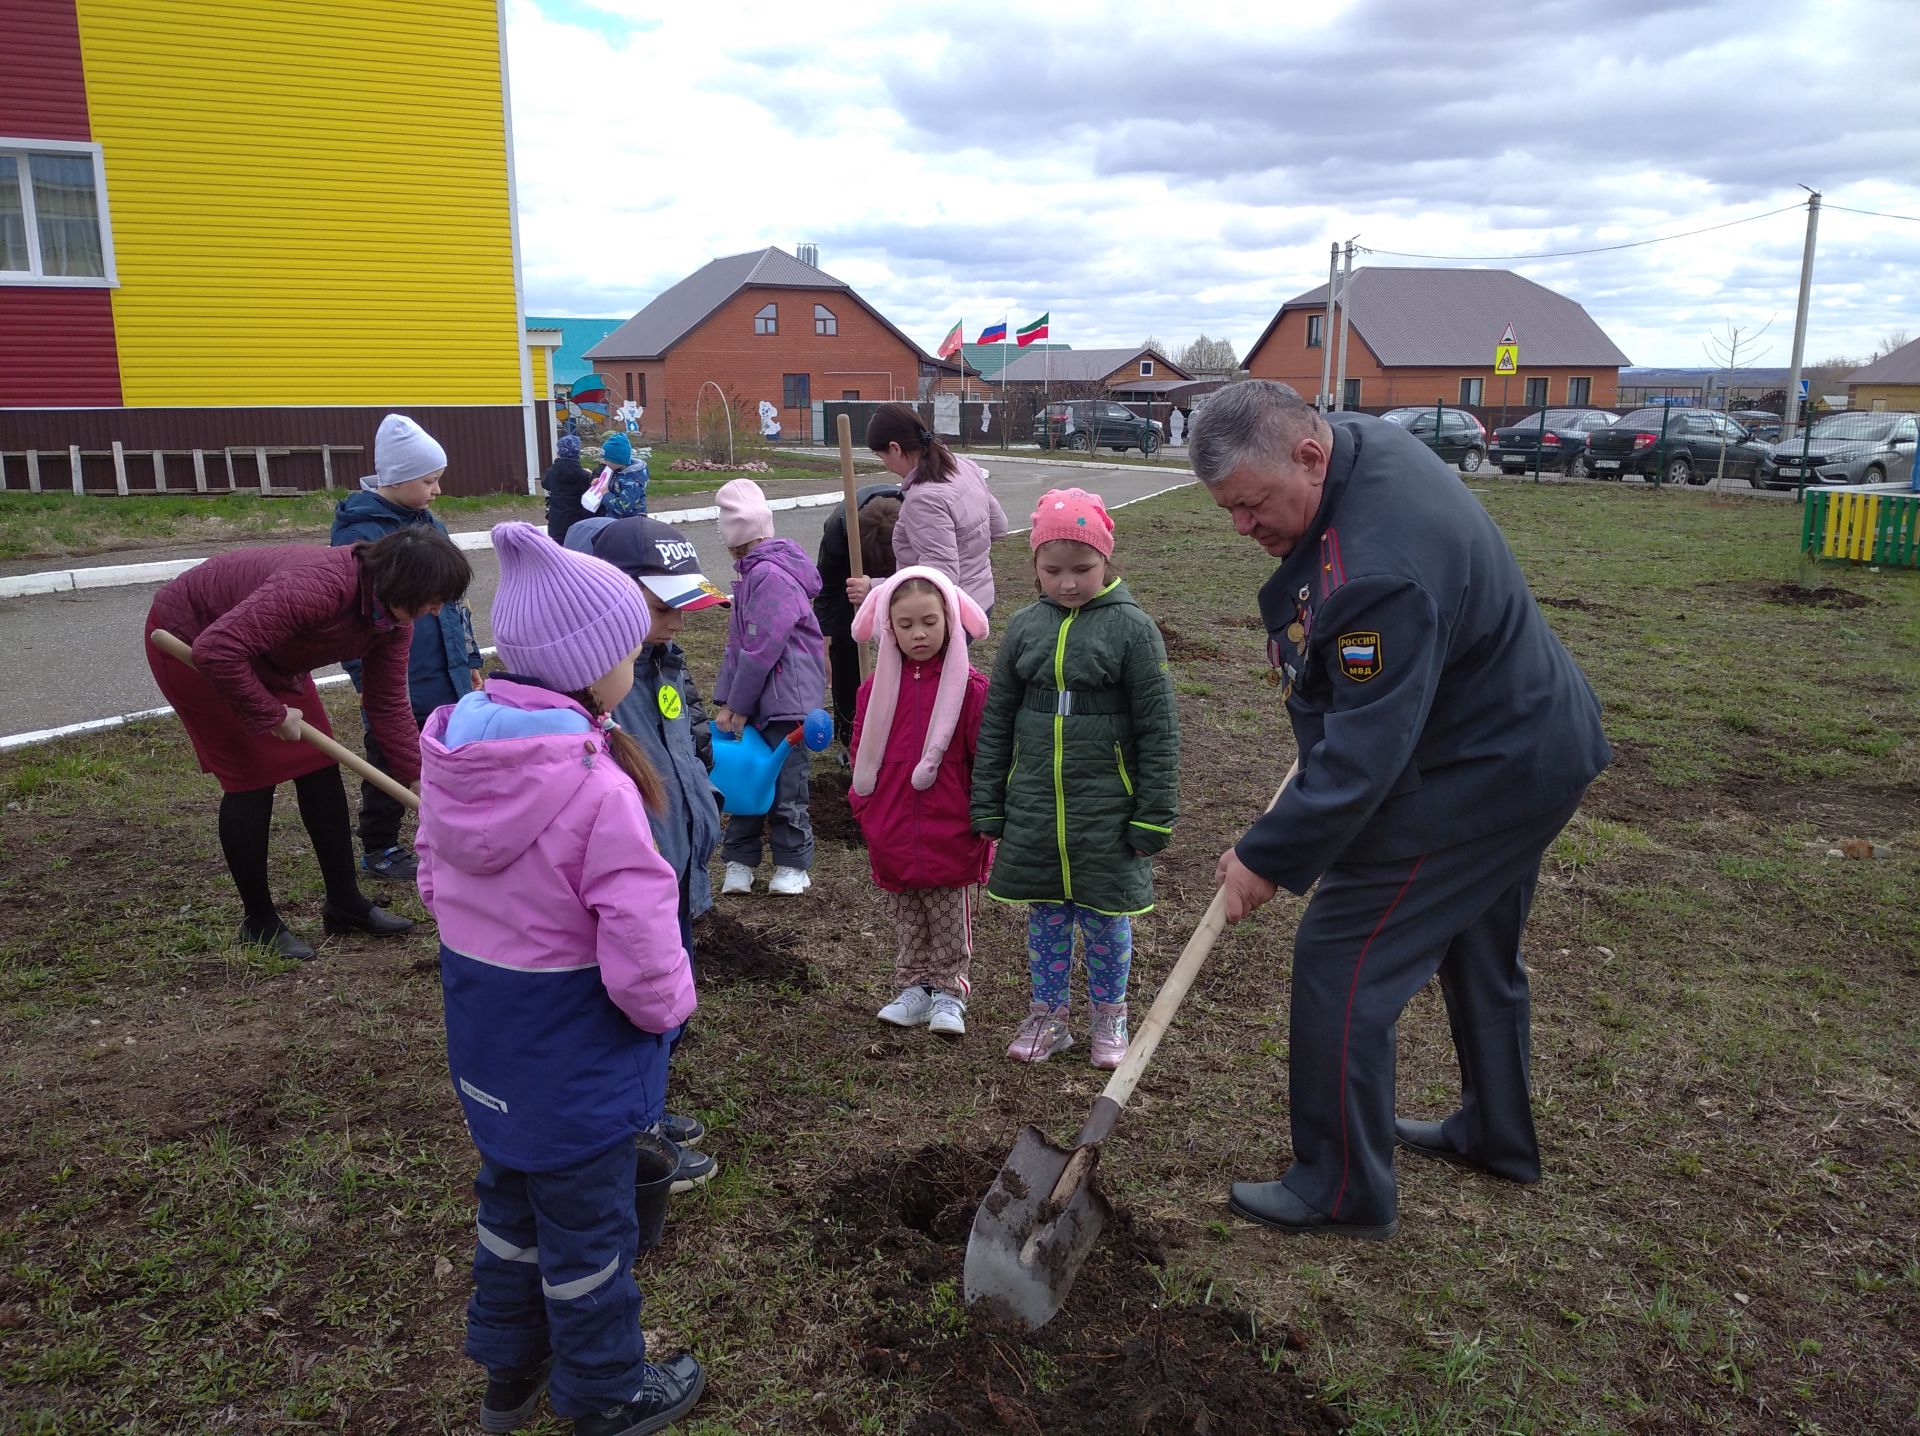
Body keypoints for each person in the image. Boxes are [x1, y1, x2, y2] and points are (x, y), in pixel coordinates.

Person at [1188, 381, 1611, 1242]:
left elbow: (1363, 757)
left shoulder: (1378, 570)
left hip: (1481, 771)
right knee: (1478, 947)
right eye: (1227, 509)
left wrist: (1266, 856)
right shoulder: (1352, 447)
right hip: (1531, 738)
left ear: (1309, 455)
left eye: (1251, 504)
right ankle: (1496, 1133)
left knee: (1342, 953)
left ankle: (1338, 1186)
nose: (1241, 528)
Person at [414, 522, 705, 1436]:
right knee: (590, 1240)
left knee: (507, 1209)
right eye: (627, 646)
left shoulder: (457, 747)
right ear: (593, 663)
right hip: (576, 1053)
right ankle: (607, 1391)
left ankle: (510, 1367)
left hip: (487, 1038)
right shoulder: (595, 784)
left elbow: (431, 873)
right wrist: (667, 1014)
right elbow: (642, 939)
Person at [142, 528, 473, 959]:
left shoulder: (392, 621)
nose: (437, 609)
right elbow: (217, 650)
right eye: (434, 597)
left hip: (267, 653)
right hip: (194, 638)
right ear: (406, 583)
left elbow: (387, 701)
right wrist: (269, 714)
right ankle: (259, 921)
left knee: (319, 767)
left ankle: (345, 903)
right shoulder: (318, 586)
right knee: (252, 779)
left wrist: (416, 775)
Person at [970, 489, 1179, 1069]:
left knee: (1105, 916)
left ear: (1106, 562)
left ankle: (1110, 1015)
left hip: (1106, 810)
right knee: (1047, 914)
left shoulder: (1133, 630)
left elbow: (1158, 730)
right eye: (1052, 570)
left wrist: (1153, 813)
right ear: (1033, 566)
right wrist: (988, 803)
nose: (1067, 583)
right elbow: (997, 723)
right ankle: (1048, 1016)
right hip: (1036, 803)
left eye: (1082, 569)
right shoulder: (1023, 628)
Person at [566, 514, 726, 1194]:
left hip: (674, 869)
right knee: (628, 1015)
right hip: (630, 882)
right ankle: (628, 1136)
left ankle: (646, 1110)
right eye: (666, 607)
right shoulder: (594, 685)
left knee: (668, 1008)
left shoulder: (663, 661)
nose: (680, 622)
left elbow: (683, 735)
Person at [330, 414, 485, 882]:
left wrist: (470, 661)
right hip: (393, 674)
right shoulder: (363, 534)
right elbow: (352, 614)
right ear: (397, 479)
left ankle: (447, 829)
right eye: (429, 480)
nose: (437, 489)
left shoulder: (428, 521)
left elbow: (454, 600)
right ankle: (379, 845)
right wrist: (364, 678)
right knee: (390, 754)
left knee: (448, 748)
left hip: (445, 667)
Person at [847, 566, 993, 1036]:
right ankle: (913, 987)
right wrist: (864, 806)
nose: (918, 634)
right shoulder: (873, 692)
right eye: (905, 624)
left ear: (950, 619)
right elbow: (859, 753)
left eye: (929, 621)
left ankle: (950, 991)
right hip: (892, 822)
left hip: (949, 823)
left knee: (948, 911)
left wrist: (982, 813)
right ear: (888, 627)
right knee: (908, 913)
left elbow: (985, 758)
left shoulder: (970, 690)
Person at [711, 479, 827, 897]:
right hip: (758, 699)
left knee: (785, 784)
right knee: (743, 780)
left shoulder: (771, 577)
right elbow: (736, 645)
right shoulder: (751, 575)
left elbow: (761, 648)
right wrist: (726, 700)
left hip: (785, 702)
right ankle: (740, 862)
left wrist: (737, 704)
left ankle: (793, 865)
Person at [846, 402, 1008, 617]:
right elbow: (999, 527)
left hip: (944, 616)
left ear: (895, 448)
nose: (884, 463)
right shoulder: (964, 466)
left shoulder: (924, 499)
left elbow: (939, 578)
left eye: (880, 456)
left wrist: (875, 589)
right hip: (980, 600)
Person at [813, 483, 903, 749]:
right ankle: (849, 732)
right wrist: (826, 652)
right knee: (844, 644)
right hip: (848, 578)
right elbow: (826, 593)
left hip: (901, 575)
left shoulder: (914, 521)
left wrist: (880, 584)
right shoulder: (838, 530)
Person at [542, 432, 596, 543]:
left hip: (556, 522)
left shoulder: (551, 472)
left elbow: (545, 484)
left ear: (559, 453)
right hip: (576, 521)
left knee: (558, 552)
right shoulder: (584, 476)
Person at [595, 432, 649, 519]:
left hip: (630, 524)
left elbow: (624, 507)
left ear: (617, 460)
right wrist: (599, 482)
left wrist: (606, 494)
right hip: (617, 520)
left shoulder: (632, 482)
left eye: (606, 459)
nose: (604, 462)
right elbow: (614, 486)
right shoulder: (618, 470)